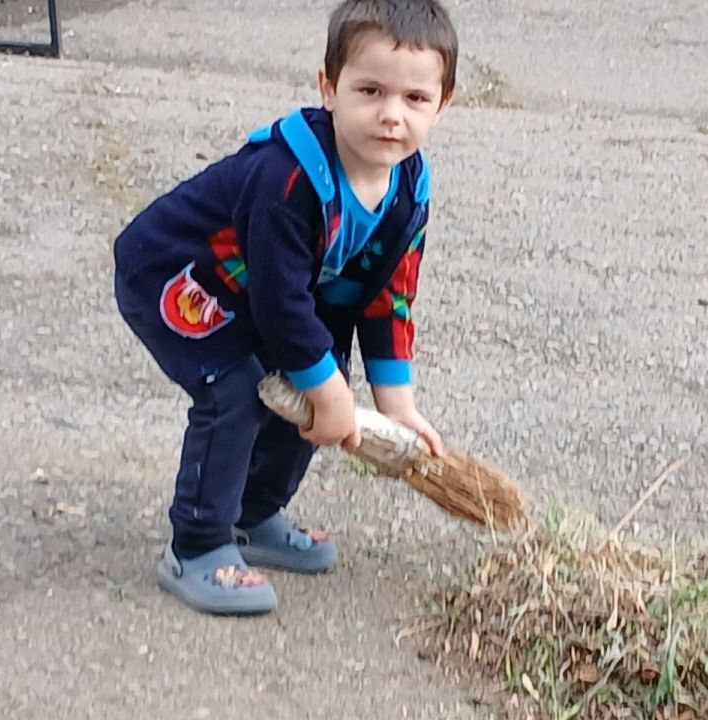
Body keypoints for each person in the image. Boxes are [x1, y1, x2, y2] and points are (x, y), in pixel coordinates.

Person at [112, 0, 456, 615]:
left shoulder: (409, 188)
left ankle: (252, 513)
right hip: (180, 276)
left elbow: (389, 292)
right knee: (238, 390)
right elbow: (278, 299)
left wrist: (393, 401)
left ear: (443, 103)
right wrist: (324, 384)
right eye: (370, 90)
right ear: (329, 86)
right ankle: (196, 545)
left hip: (261, 293)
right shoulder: (288, 178)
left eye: (414, 100)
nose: (390, 116)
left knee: (317, 386)